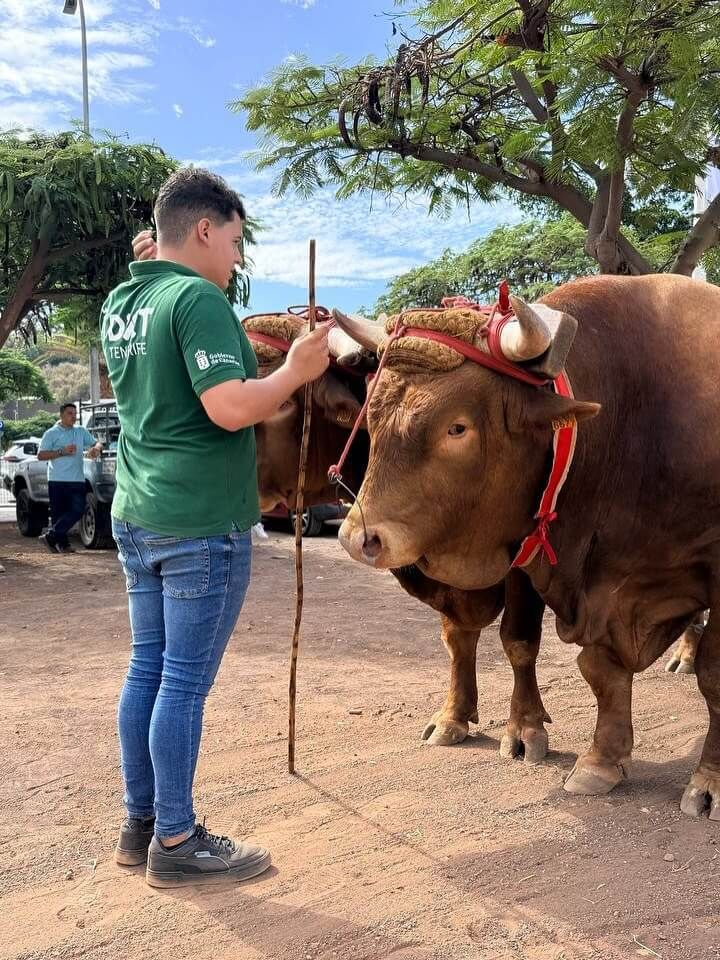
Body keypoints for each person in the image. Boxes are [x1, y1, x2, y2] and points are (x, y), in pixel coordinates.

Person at [102, 167, 329, 888]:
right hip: (200, 523)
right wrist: (296, 369)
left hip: (138, 514)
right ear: (204, 230)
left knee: (148, 671)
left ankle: (141, 825)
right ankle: (177, 839)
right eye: (233, 242)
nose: (236, 259)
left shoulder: (124, 296)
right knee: (183, 683)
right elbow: (230, 407)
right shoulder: (199, 300)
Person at [37, 403, 102, 554]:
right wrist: (62, 451)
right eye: (70, 414)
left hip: (77, 479)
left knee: (78, 510)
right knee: (58, 515)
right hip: (57, 480)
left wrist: (96, 449)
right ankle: (62, 545)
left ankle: (51, 536)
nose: (74, 416)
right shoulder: (51, 433)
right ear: (61, 415)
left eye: (75, 413)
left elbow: (97, 442)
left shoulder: (80, 431)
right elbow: (41, 455)